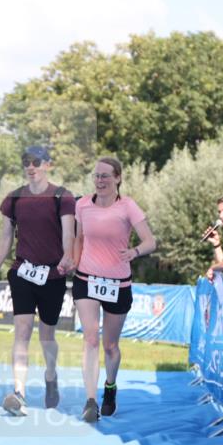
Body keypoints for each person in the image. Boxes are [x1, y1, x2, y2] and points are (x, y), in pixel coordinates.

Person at [0, 145, 75, 416]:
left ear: (48, 164)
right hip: (22, 272)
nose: (31, 166)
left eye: (36, 161)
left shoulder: (63, 196)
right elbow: (4, 239)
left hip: (53, 274)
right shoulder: (14, 199)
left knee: (47, 334)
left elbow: (68, 233)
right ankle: (19, 392)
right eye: (26, 162)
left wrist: (67, 257)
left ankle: (50, 376)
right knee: (22, 332)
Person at [72, 157, 156, 422]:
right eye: (96, 176)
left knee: (109, 345)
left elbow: (151, 241)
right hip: (86, 279)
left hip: (118, 283)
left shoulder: (128, 206)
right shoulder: (82, 205)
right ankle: (90, 400)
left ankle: (110, 387)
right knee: (90, 338)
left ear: (118, 178)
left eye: (106, 176)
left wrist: (134, 251)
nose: (100, 181)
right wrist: (72, 263)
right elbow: (78, 238)